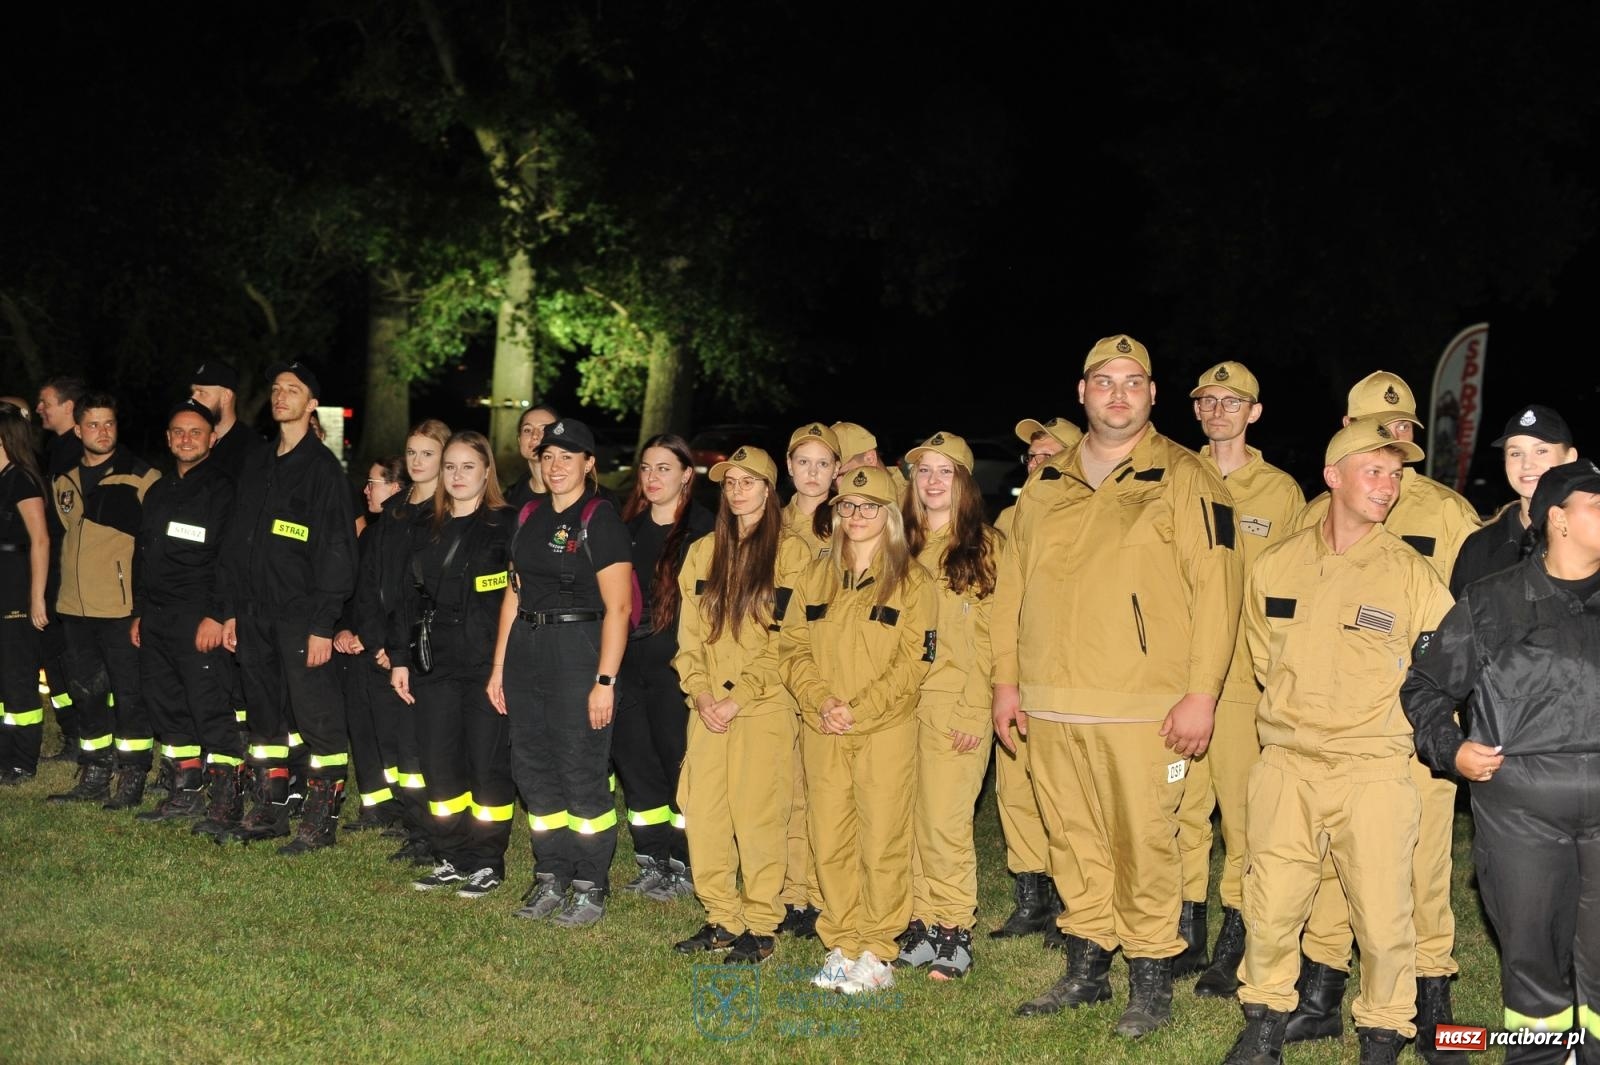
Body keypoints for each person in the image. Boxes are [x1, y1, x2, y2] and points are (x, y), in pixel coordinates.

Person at [999, 335, 1242, 1038]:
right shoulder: (1045, 484)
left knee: (1144, 843)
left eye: (1131, 382)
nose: (1116, 393)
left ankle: (1150, 976)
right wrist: (1006, 681)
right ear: (1081, 392)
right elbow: (1012, 590)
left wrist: (1203, 693)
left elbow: (1219, 594)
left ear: (1153, 394)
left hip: (1144, 706)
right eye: (1103, 381)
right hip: (1049, 701)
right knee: (1072, 840)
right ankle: (1085, 968)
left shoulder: (1188, 478)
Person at [1222, 418, 1454, 1065]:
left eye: (1397, 473)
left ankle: (1382, 1037)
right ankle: (1264, 1025)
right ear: (1333, 476)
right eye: (1374, 470)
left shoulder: (1410, 574)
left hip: (1374, 769)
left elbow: (1444, 670)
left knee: (1384, 919)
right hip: (1288, 765)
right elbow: (1265, 662)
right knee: (1270, 906)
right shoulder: (1275, 564)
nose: (1389, 485)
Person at [1284, 371, 1480, 1052]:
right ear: (1344, 430)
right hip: (1333, 731)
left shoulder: (1448, 513)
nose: (1393, 443)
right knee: (1331, 869)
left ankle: (1431, 999)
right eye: (1377, 428)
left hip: (1415, 729)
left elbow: (1467, 626)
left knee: (1421, 871)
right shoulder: (1311, 514)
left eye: (1404, 433)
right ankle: (1321, 991)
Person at [1403, 459, 1600, 1065]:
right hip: (1521, 817)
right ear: (1559, 520)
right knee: (1534, 955)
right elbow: (1426, 688)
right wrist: (1451, 750)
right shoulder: (1494, 601)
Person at [1177, 361, 1306, 995]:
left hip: (1244, 680)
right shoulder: (1176, 474)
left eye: (1233, 401)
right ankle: (1185, 924)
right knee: (1180, 806)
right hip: (1177, 674)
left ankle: (1238, 932)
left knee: (1244, 814)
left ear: (1254, 412)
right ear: (1196, 409)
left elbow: (1291, 587)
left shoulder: (1280, 492)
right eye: (1208, 400)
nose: (1219, 410)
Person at [783, 465, 937, 996]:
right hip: (822, 726)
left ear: (890, 515)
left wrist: (859, 708)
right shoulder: (814, 575)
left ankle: (876, 949)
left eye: (870, 506)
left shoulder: (913, 581)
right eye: (847, 506)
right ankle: (841, 940)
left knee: (883, 839)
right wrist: (820, 701)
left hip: (883, 730)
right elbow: (793, 647)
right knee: (828, 837)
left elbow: (916, 661)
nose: (857, 515)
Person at [488, 417, 632, 927]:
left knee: (580, 768)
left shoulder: (601, 518)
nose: (556, 466)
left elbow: (617, 609)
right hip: (527, 647)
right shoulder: (528, 514)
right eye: (548, 456)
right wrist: (499, 665)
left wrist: (605, 681)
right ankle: (551, 874)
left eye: (568, 457)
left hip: (578, 652)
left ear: (588, 464)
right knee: (532, 766)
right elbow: (514, 590)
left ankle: (590, 884)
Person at [671, 445, 810, 964]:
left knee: (758, 820)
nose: (736, 490)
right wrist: (702, 692)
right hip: (706, 709)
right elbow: (688, 639)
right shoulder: (702, 552)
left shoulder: (792, 555)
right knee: (704, 815)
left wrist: (738, 697)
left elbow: (790, 643)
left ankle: (760, 923)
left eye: (749, 482)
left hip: (763, 710)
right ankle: (721, 917)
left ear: (770, 491)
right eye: (729, 482)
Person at [217, 362, 356, 854]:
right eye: (276, 388)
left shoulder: (323, 471)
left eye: (292, 390)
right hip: (253, 613)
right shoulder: (257, 463)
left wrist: (323, 623)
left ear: (311, 404)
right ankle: (270, 807)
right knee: (264, 718)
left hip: (301, 615)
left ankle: (321, 818)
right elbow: (237, 540)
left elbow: (339, 551)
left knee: (317, 719)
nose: (280, 396)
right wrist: (231, 609)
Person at [391, 432, 517, 900]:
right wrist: (400, 659)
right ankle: (450, 855)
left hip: (487, 664)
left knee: (486, 766)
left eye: (468, 466)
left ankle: (486, 861)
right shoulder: (426, 526)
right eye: (450, 467)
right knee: (440, 765)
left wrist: (505, 665)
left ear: (487, 472)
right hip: (434, 661)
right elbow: (404, 599)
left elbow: (517, 598)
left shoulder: (507, 526)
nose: (458, 476)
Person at [893, 432, 999, 981]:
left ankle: (955, 931)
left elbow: (996, 639)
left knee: (945, 823)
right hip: (900, 704)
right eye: (924, 472)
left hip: (954, 702)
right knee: (909, 820)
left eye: (945, 471)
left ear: (964, 482)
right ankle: (921, 923)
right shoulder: (899, 544)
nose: (932, 482)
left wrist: (975, 711)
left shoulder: (985, 546)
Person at [45, 392, 162, 808]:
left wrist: (143, 608)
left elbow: (154, 546)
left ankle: (132, 774)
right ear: (77, 429)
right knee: (87, 692)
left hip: (121, 610)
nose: (102, 432)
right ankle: (95, 769)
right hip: (74, 609)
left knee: (130, 694)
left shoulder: (142, 477)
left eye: (109, 423)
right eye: (92, 424)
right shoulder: (65, 480)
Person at [128, 399, 242, 824]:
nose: (186, 439)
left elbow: (231, 559)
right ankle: (185, 790)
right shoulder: (159, 490)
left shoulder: (224, 489)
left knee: (209, 706)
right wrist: (140, 612)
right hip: (157, 616)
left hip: (198, 616)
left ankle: (226, 798)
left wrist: (216, 614)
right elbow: (144, 553)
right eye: (178, 431)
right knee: (167, 706)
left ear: (212, 438)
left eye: (196, 432)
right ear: (168, 438)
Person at [990, 415, 1080, 944]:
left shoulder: (1084, 518)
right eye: (1032, 456)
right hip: (1015, 672)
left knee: (1066, 797)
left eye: (1050, 456)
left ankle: (1074, 901)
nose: (1037, 463)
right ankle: (1032, 896)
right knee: (1016, 789)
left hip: (1065, 678)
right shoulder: (1007, 520)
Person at [614, 434, 713, 900]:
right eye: (647, 468)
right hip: (628, 668)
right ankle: (651, 857)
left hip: (677, 672)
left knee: (680, 767)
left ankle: (685, 861)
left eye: (664, 469)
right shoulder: (626, 527)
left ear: (686, 475)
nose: (653, 478)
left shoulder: (705, 531)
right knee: (637, 766)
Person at [351, 420, 451, 862]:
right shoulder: (393, 515)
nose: (417, 462)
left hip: (434, 653)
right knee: (399, 749)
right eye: (411, 452)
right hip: (389, 651)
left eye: (427, 453)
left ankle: (438, 833)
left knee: (429, 748)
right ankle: (415, 826)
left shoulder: (452, 514)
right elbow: (370, 585)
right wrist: (379, 644)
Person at [777, 420, 842, 937]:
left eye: (823, 463)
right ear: (789, 466)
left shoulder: (850, 523)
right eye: (804, 462)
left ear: (838, 470)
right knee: (789, 789)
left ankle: (824, 893)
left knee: (826, 790)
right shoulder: (768, 526)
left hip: (829, 671)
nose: (813, 473)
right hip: (780, 672)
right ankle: (792, 893)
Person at [331, 456, 408, 838]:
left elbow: (400, 598)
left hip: (383, 650)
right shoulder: (370, 535)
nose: (365, 490)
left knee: (392, 734)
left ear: (396, 487)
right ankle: (376, 805)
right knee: (362, 729)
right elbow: (356, 594)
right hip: (359, 650)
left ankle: (406, 808)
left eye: (373, 482)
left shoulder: (406, 532)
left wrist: (379, 638)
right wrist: (343, 630)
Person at [1450, 404, 1577, 596]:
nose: (1527, 464)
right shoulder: (1480, 547)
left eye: (1541, 451)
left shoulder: (1591, 538)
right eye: (1516, 453)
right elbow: (1458, 623)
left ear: (1570, 459)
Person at [34, 375, 83, 759]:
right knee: (55, 654)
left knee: (70, 654)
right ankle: (72, 731)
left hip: (70, 572)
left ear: (69, 406)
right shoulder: (55, 449)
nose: (39, 410)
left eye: (45, 402)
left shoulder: (79, 452)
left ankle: (85, 730)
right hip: (53, 570)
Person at [0, 404, 49, 782]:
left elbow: (40, 540)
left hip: (15, 588)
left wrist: (36, 597)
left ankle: (22, 759)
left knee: (18, 677)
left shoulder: (21, 479)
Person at [190, 361, 266, 483]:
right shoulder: (189, 443)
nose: (193, 399)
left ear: (226, 396)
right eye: (193, 392)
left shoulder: (253, 451)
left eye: (202, 393)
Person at [503, 405, 559, 511]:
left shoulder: (586, 496)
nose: (535, 435)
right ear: (519, 440)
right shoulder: (509, 500)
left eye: (544, 429)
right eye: (527, 430)